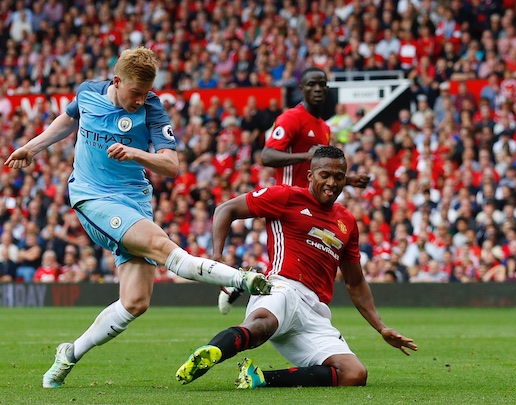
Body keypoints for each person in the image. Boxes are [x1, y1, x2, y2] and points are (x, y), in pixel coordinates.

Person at [4, 47, 272, 389]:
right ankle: (243, 280)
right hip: (92, 196)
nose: (140, 100)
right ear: (117, 81)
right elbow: (69, 119)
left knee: (135, 302)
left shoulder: (153, 108)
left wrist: (135, 152)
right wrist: (33, 146)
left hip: (135, 201)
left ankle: (68, 354)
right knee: (162, 246)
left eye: (146, 93)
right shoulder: (88, 92)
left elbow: (172, 165)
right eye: (135, 93)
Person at [177, 146, 417, 389]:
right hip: (283, 287)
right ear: (311, 176)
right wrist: (217, 257)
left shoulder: (346, 222)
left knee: (354, 374)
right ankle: (213, 351)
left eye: (339, 177)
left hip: (315, 311)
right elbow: (225, 209)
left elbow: (355, 283)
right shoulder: (286, 196)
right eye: (325, 175)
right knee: (262, 326)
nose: (332, 182)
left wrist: (381, 327)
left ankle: (259, 379)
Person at [219, 67, 369, 313]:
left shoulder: (324, 127)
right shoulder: (291, 118)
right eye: (312, 84)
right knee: (284, 270)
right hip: (287, 202)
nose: (318, 89)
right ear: (302, 89)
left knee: (295, 268)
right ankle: (245, 286)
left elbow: (320, 168)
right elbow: (266, 155)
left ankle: (248, 283)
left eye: (322, 84)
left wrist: (349, 180)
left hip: (311, 204)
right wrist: (304, 154)